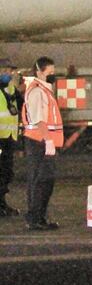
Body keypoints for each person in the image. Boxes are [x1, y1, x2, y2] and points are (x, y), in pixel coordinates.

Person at [21, 56, 63, 230]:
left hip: (41, 141)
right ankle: (35, 219)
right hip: (39, 142)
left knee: (44, 181)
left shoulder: (44, 90)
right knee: (41, 181)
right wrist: (48, 141)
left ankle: (39, 217)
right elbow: (39, 121)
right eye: (50, 72)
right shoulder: (38, 91)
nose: (52, 75)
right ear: (39, 71)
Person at [0, 59, 25, 216]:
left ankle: (2, 204)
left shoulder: (11, 89)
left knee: (6, 173)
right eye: (5, 71)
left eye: (10, 71)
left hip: (8, 138)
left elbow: (19, 108)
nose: (8, 74)